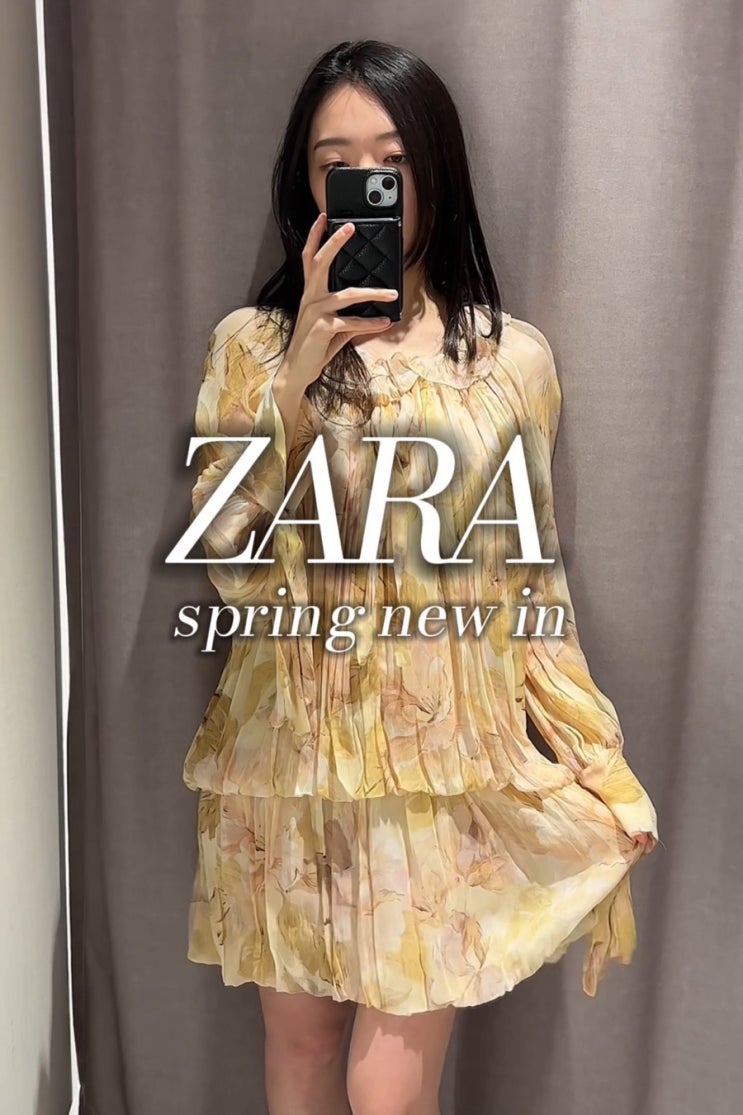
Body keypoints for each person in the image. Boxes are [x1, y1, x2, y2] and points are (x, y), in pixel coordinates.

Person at [181, 39, 659, 1115]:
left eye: (389, 163)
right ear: (305, 185)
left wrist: (594, 758)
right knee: (301, 1052)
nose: (364, 186)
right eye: (335, 164)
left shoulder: (507, 360)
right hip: (285, 753)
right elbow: (230, 564)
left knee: (386, 1090)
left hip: (436, 769)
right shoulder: (249, 348)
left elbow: (527, 580)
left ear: (433, 171)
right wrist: (297, 382)